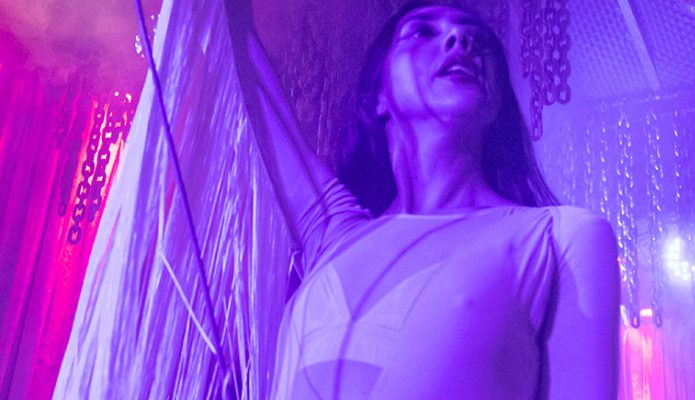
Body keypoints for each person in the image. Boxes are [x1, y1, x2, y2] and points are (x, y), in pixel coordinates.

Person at [235, 1, 619, 398]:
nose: (460, 39)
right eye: (421, 32)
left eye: (480, 41)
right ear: (378, 95)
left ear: (497, 102)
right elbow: (245, 63)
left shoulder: (558, 238)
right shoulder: (335, 237)